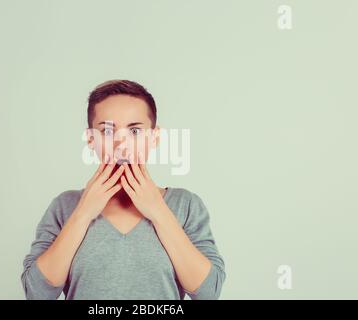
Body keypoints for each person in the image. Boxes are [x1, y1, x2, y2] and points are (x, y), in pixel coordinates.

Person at [21, 80, 226, 299]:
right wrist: (83, 213)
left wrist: (159, 212)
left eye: (135, 131)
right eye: (108, 131)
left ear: (154, 137)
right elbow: (37, 292)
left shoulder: (186, 205)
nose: (122, 145)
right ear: (91, 139)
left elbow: (208, 292)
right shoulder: (65, 206)